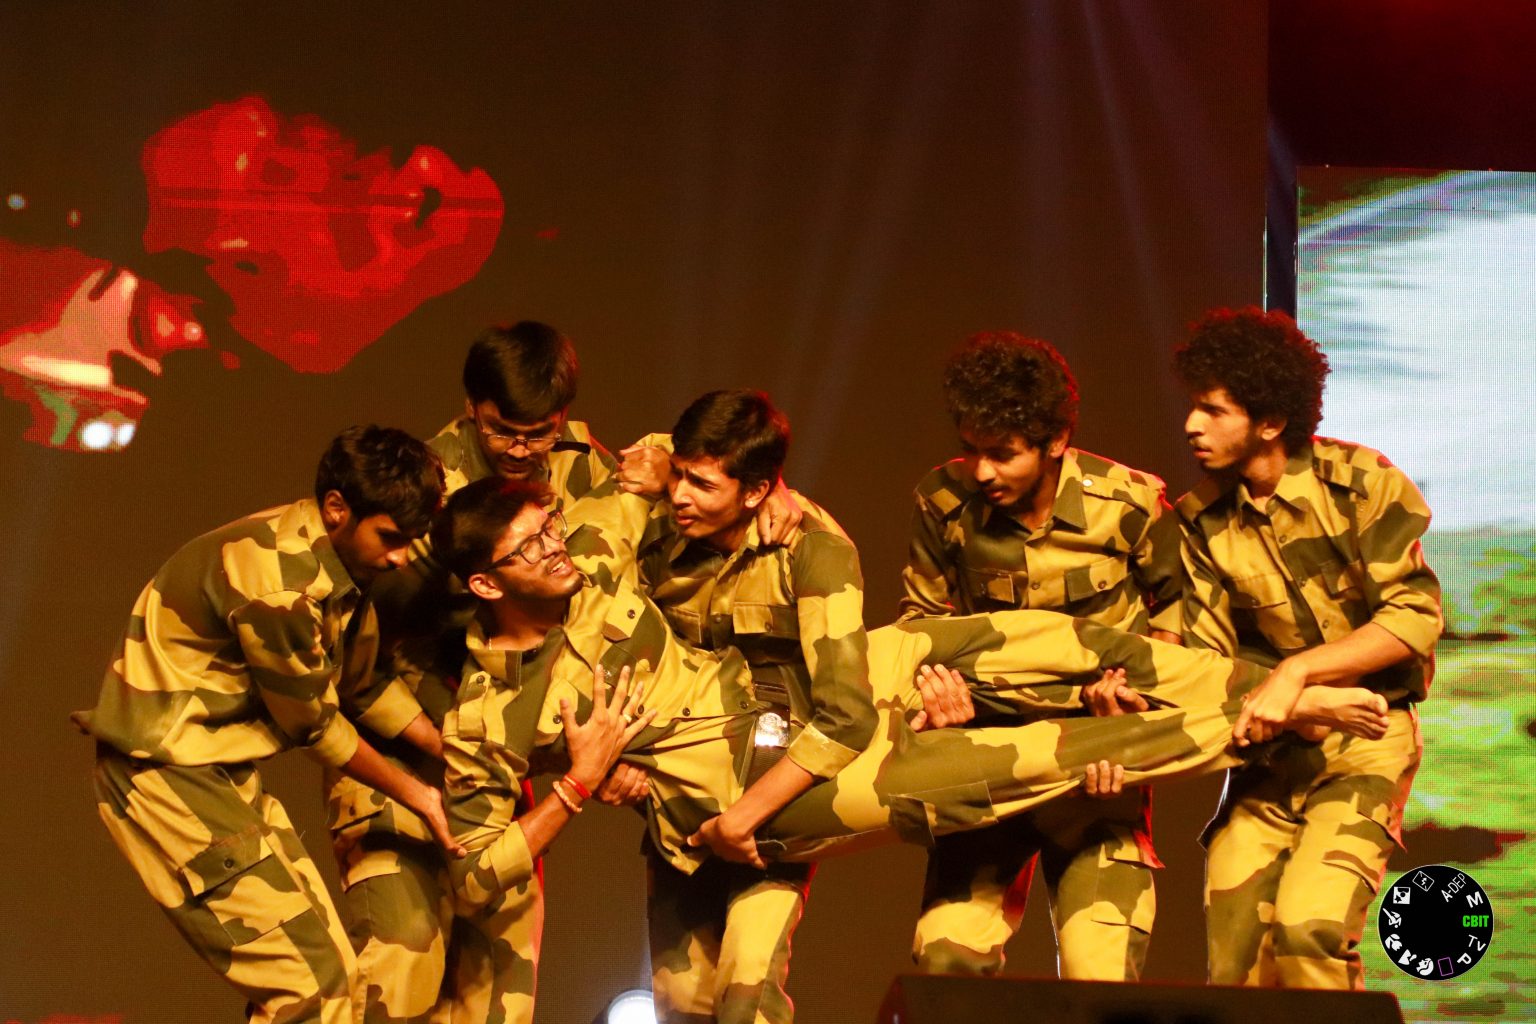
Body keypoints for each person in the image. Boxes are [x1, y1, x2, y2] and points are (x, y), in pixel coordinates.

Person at [429, 474, 1396, 1012]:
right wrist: (578, 784)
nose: (557, 548)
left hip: (814, 687)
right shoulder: (487, 715)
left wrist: (774, 498)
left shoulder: (593, 552)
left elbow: (664, 463)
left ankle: (1280, 683)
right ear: (483, 585)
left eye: (552, 529)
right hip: (776, 789)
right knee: (1032, 760)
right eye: (531, 549)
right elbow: (475, 876)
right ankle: (1271, 719)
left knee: (1051, 641)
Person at [73, 425, 463, 1024]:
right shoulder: (280, 584)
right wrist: (419, 795)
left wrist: (446, 749)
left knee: (332, 976)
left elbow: (361, 685)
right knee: (312, 985)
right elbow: (317, 727)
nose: (401, 557)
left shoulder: (342, 567)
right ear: (337, 508)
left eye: (412, 541)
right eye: (390, 538)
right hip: (165, 776)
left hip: (219, 776)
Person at [327, 321, 618, 1024]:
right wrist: (445, 745)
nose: (519, 450)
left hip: (494, 764)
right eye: (500, 431)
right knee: (400, 966)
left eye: (537, 433)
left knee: (499, 993)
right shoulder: (422, 492)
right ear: (470, 408)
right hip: (406, 755)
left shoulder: (584, 468)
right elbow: (361, 658)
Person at [1171, 307, 1442, 989]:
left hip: (1367, 739)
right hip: (1267, 758)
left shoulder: (1361, 483)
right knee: (1235, 959)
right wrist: (1299, 701)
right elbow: (1206, 666)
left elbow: (1413, 617)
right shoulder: (1200, 521)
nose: (1192, 425)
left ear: (1268, 422)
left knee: (1309, 934)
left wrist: (1297, 671)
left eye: (1213, 410)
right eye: (1194, 407)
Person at [899, 332, 1182, 980]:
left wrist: (1138, 715)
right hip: (988, 768)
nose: (982, 472)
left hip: (1099, 770)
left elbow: (1182, 619)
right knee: (946, 963)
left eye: (1002, 454)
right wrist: (936, 693)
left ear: (1056, 441)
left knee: (1099, 978)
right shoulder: (944, 502)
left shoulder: (1130, 503)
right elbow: (921, 623)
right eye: (971, 450)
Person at [636, 390, 874, 1023]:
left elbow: (847, 716)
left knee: (747, 994)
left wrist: (743, 818)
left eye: (702, 485)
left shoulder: (812, 551)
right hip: (679, 809)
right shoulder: (653, 535)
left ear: (756, 491)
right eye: (678, 475)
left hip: (771, 807)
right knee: (680, 1005)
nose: (680, 495)